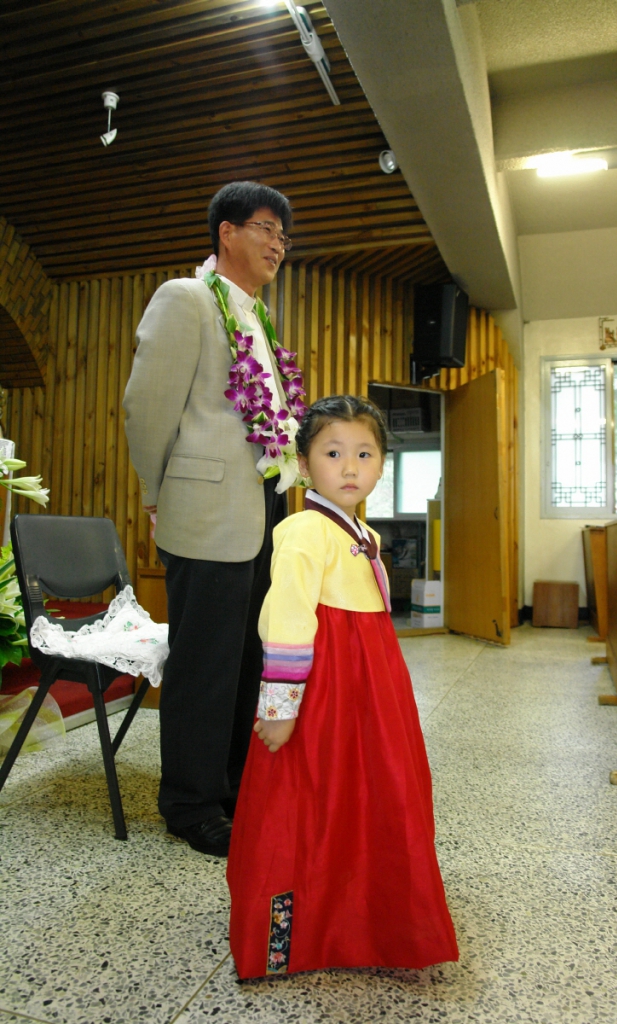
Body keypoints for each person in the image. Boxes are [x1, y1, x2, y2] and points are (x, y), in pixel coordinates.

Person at [227, 395, 459, 978]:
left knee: (370, 790)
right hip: (323, 690)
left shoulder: (364, 533)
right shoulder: (303, 530)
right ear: (304, 464)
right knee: (309, 796)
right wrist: (280, 707)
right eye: (332, 454)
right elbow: (286, 618)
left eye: (364, 453)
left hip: (371, 689)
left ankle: (366, 920)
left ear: (382, 465)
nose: (350, 467)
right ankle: (295, 935)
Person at [123, 181, 296, 857]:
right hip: (205, 508)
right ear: (226, 232)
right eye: (265, 228)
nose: (277, 244)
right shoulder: (187, 298)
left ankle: (230, 787)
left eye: (283, 235)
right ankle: (189, 804)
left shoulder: (258, 317)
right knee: (205, 664)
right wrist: (155, 491)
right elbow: (147, 407)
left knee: (248, 659)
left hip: (262, 510)